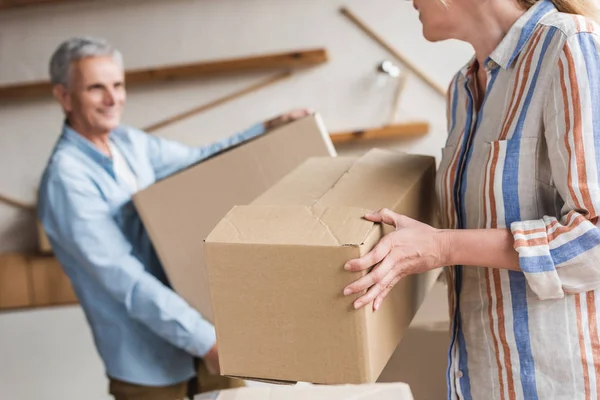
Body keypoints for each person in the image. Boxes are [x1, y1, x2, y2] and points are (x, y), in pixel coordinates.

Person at [343, 0, 600, 398]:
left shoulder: (567, 44)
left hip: (561, 383)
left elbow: (595, 240)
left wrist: (442, 246)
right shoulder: (461, 90)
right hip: (480, 380)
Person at [37, 36, 309, 400]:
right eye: (96, 88)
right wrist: (206, 341)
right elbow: (126, 280)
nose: (113, 99)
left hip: (201, 328)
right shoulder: (66, 180)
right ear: (65, 97)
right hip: (149, 362)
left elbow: (198, 161)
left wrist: (264, 130)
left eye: (117, 85)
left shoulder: (129, 142)